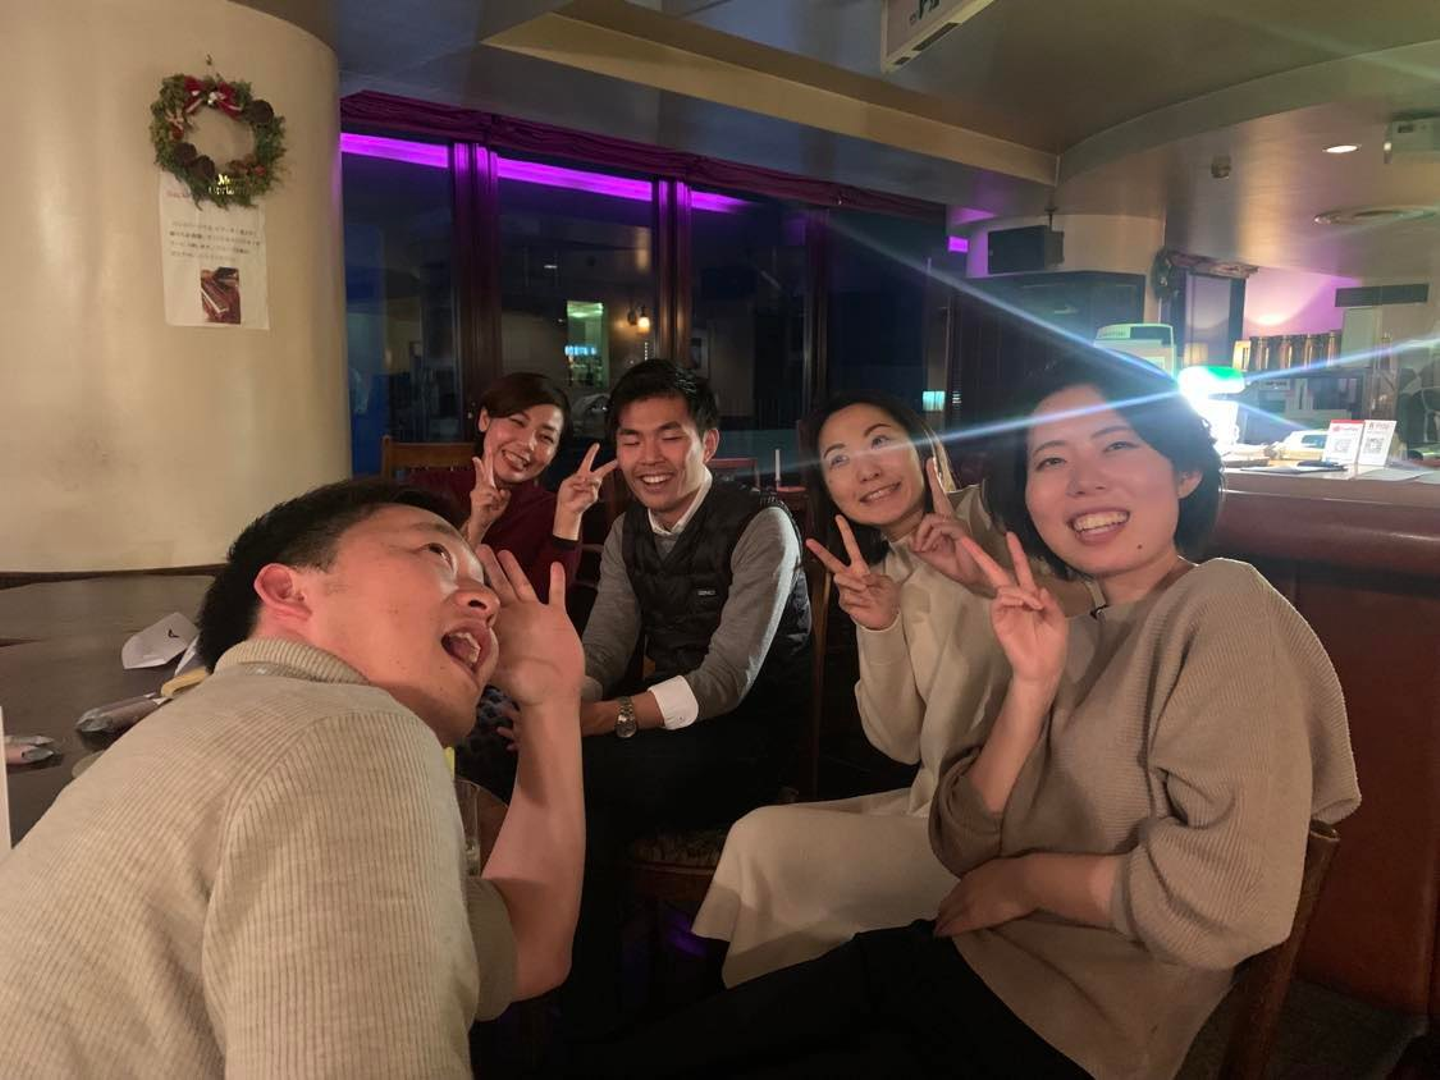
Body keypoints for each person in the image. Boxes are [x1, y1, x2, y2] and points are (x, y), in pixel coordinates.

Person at [596, 357, 1360, 1079]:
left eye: (1117, 445)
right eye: (1052, 460)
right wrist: (1019, 683)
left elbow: (1231, 902)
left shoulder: (1219, 606)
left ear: (1185, 470)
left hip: (1058, 1018)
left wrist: (1027, 880)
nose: (1083, 480)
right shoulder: (1068, 627)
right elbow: (958, 834)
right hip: (957, 952)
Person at [0, 479, 586, 1077]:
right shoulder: (345, 727)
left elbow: (527, 943)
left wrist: (551, 699)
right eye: (437, 554)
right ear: (288, 591)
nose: (487, 602)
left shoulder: (218, 732)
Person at [691, 391, 1095, 986]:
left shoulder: (1001, 513)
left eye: (880, 442)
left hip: (1028, 818)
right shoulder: (881, 575)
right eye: (839, 459)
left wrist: (980, 573)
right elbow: (899, 743)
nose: (866, 470)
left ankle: (778, 1011)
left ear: (922, 445)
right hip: (941, 804)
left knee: (780, 861)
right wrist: (879, 627)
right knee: (757, 835)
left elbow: (1097, 611)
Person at [568, 359, 811, 1032]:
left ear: (706, 443)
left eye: (669, 436)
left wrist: (597, 719)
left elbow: (727, 681)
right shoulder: (628, 532)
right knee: (575, 796)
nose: (649, 458)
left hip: (750, 739)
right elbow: (604, 648)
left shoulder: (762, 525)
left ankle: (589, 1011)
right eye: (631, 439)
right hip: (665, 728)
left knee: (576, 775)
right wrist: (564, 705)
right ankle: (599, 1012)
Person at [410, 372, 615, 599]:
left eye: (546, 438)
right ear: (484, 419)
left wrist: (568, 516)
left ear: (554, 454)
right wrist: (476, 525)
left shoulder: (553, 510)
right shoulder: (428, 489)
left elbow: (547, 606)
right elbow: (416, 589)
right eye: (517, 422)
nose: (527, 444)